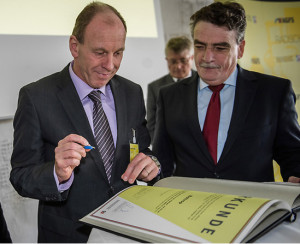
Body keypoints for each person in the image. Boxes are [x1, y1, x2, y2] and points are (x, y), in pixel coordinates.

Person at [10, 2, 160, 242]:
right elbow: (20, 176)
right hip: (70, 235)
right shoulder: (37, 97)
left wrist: (152, 164)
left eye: (118, 52)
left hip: (128, 231)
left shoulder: (132, 92)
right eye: (100, 52)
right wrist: (57, 173)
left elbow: (141, 150)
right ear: (74, 46)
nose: (110, 65)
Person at [152, 1, 300, 183]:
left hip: (253, 206)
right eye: (200, 46)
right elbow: (161, 161)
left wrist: (296, 176)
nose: (207, 57)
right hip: (190, 207)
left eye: (220, 48)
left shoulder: (273, 93)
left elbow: (292, 154)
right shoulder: (169, 96)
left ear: (241, 49)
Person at [146, 36, 197, 142]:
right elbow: (152, 126)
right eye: (173, 61)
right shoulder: (154, 88)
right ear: (167, 60)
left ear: (192, 58)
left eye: (183, 60)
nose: (178, 66)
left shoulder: (205, 82)